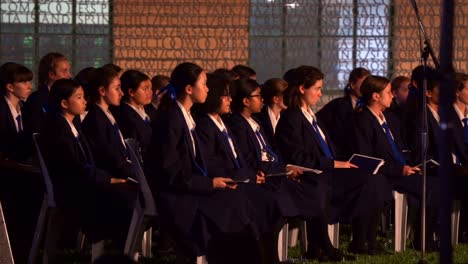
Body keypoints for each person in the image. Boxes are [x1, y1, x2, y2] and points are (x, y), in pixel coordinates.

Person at [145, 63, 258, 263]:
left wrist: (214, 180)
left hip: (189, 187)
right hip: (177, 196)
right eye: (204, 84)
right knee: (233, 204)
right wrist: (210, 183)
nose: (207, 89)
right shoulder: (172, 119)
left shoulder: (185, 116)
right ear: (189, 89)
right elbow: (171, 172)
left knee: (239, 199)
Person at [276, 66, 391, 257]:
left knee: (375, 179)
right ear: (302, 89)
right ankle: (323, 246)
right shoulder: (291, 118)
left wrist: (345, 161)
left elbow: (329, 148)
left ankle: (363, 239)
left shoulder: (311, 116)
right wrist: (335, 164)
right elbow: (297, 157)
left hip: (329, 171)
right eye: (317, 88)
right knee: (328, 186)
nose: (320, 94)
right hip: (310, 174)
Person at [317, 67, 371, 160]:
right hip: (342, 155)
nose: (366, 88)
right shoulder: (337, 105)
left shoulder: (371, 105)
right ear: (352, 84)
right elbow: (319, 125)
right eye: (363, 84)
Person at [23, 52, 71, 134]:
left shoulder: (70, 98)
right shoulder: (36, 99)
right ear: (51, 74)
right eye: (64, 71)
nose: (69, 75)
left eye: (68, 70)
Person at [113, 70, 153, 163]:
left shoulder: (146, 111)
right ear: (131, 92)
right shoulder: (126, 117)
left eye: (150, 88)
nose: (150, 92)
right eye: (145, 89)